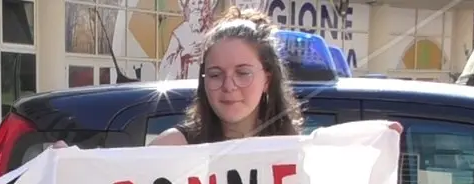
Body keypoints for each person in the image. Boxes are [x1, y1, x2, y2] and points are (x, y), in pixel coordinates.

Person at [149, 7, 401, 146]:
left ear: (267, 79)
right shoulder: (173, 147)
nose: (229, 85)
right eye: (215, 74)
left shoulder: (292, 152)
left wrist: (376, 142)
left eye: (243, 73)